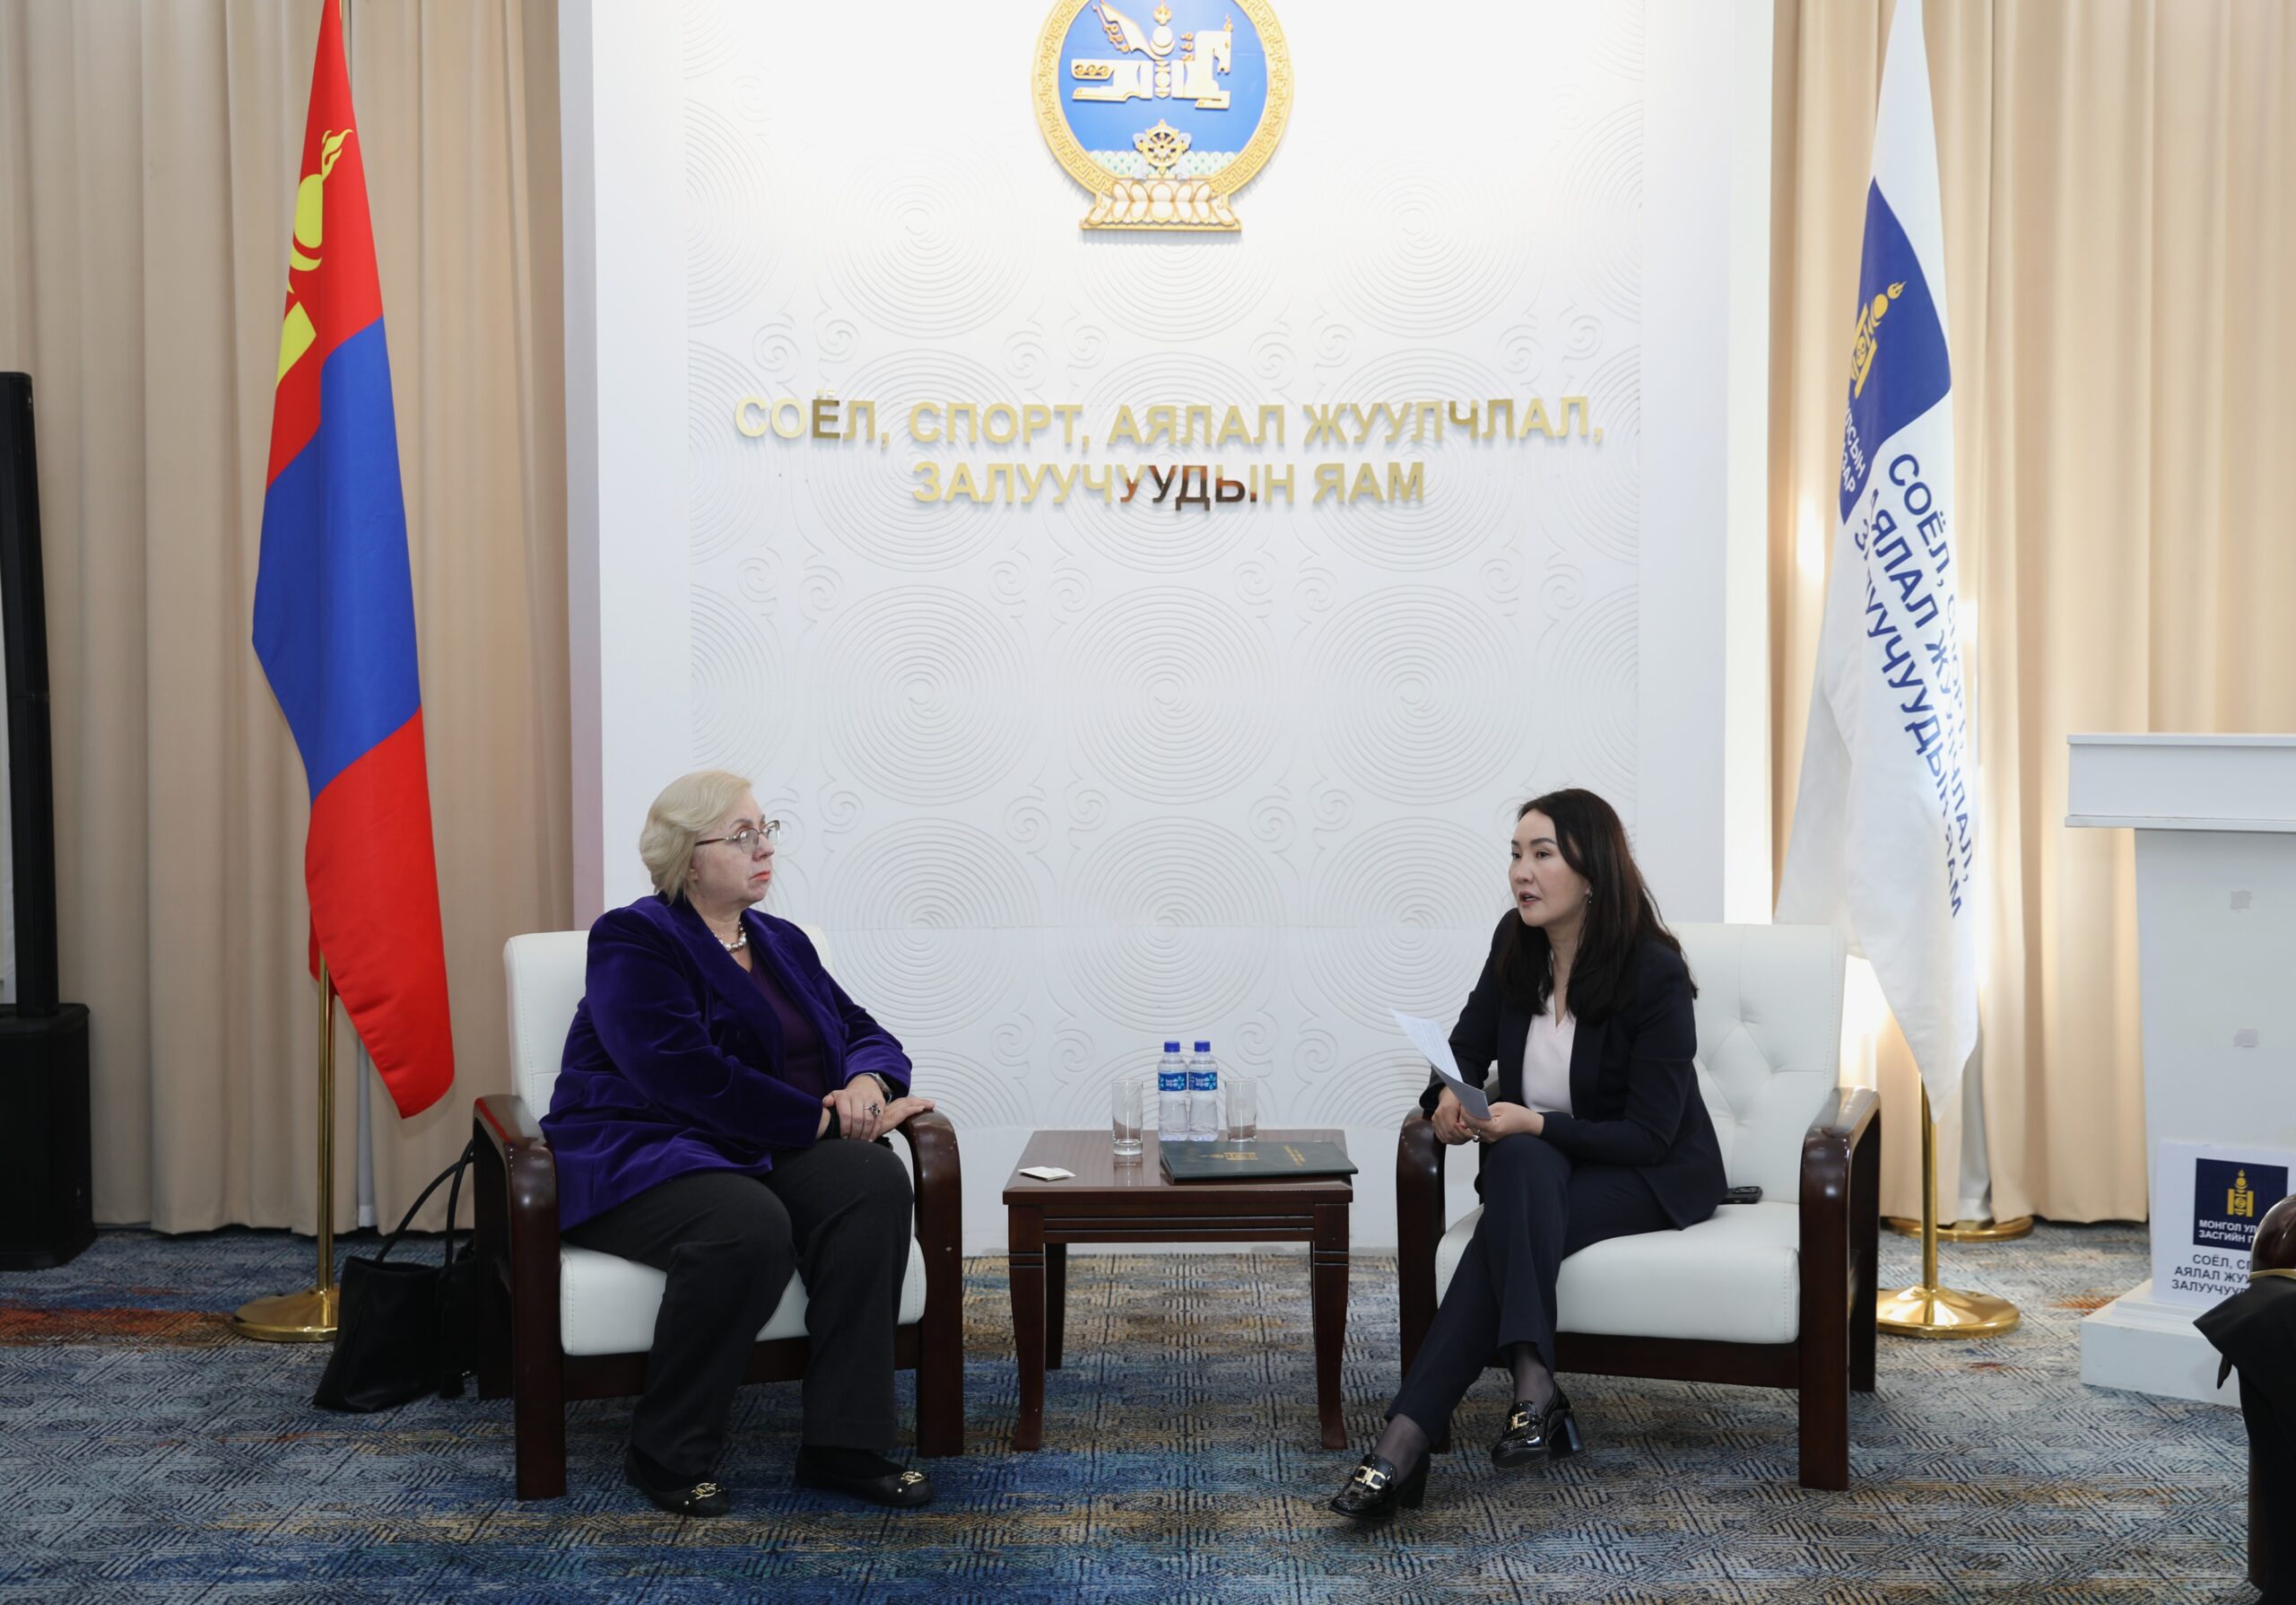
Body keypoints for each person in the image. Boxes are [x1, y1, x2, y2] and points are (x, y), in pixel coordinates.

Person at [542, 769, 938, 1517]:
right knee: (746, 1225)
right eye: (742, 834)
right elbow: (683, 1074)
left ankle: (843, 1443)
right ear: (688, 859)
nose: (765, 848)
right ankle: (666, 1449)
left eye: (767, 830)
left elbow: (862, 1029)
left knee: (873, 1182)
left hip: (762, 1146)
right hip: (649, 1147)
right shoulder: (634, 937)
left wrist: (867, 1083)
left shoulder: (781, 941)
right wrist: (822, 1121)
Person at [1330, 788, 1726, 1520]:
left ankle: (1404, 1442)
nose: (1522, 871)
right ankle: (1533, 1388)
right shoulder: (1516, 942)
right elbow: (1463, 1049)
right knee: (1519, 1165)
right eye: (1516, 853)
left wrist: (1537, 1124)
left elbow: (1649, 1134)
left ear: (1592, 870)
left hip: (1649, 1171)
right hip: (1540, 1168)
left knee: (1503, 1221)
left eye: (1543, 854)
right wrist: (1445, 1098)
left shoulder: (1653, 971)